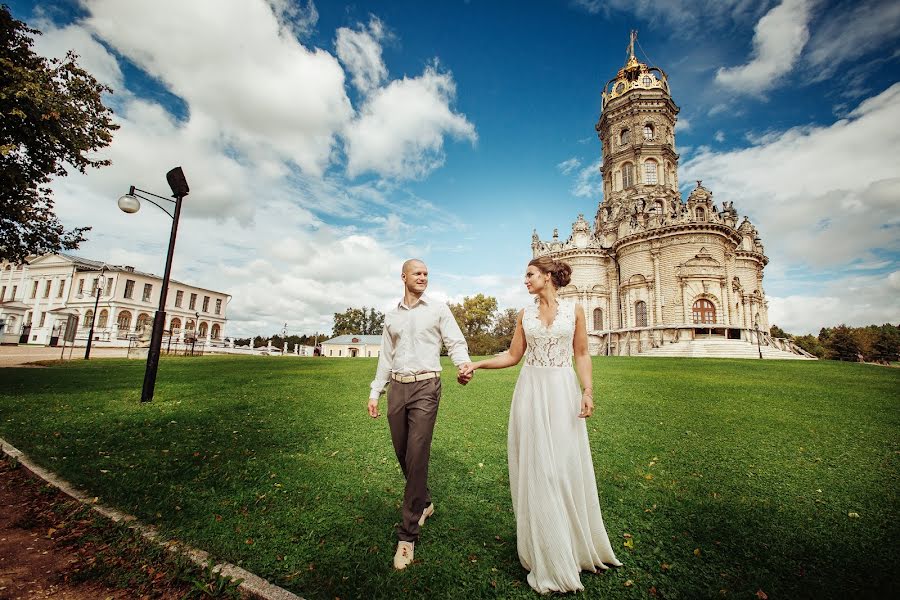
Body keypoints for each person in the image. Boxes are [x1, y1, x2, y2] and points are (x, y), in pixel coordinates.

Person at [458, 256, 621, 594]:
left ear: (548, 276)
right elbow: (512, 356)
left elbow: (581, 354)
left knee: (562, 468)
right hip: (531, 392)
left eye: (530, 274)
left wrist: (587, 390)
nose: (525, 280)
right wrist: (478, 364)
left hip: (562, 392)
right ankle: (546, 551)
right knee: (539, 470)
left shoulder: (573, 310)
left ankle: (573, 547)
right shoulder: (525, 314)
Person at [367, 259, 473, 570]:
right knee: (402, 452)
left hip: (427, 385)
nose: (423, 277)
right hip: (398, 387)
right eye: (418, 273)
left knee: (417, 455)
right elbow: (386, 357)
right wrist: (376, 391)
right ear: (404, 277)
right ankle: (424, 502)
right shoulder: (391, 316)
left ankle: (407, 536)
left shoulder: (438, 308)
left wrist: (463, 364)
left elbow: (455, 342)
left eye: (427, 273)